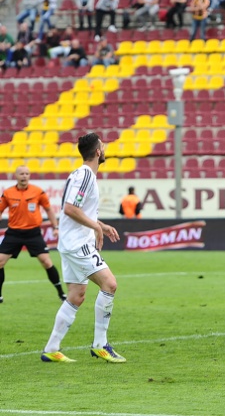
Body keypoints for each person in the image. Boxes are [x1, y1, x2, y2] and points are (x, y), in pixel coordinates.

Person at [41, 133, 124, 363]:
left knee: (76, 296)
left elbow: (78, 211)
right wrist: (96, 229)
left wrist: (100, 226)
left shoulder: (82, 175)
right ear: (97, 152)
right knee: (110, 284)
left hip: (71, 243)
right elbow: (70, 208)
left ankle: (51, 349)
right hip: (78, 244)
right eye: (103, 146)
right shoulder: (86, 175)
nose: (104, 149)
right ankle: (100, 345)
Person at [0, 166, 66, 304]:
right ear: (16, 176)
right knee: (0, 262)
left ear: (29, 176)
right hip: (14, 233)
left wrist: (55, 227)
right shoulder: (8, 193)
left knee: (46, 262)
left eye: (27, 173)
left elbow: (48, 209)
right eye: (21, 174)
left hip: (33, 233)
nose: (24, 176)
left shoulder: (38, 192)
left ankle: (61, 293)